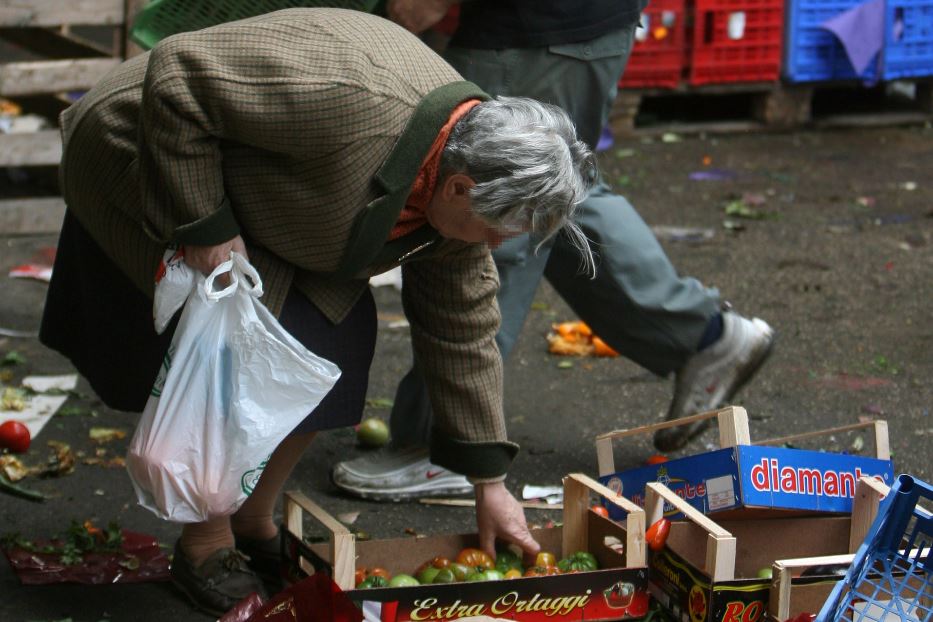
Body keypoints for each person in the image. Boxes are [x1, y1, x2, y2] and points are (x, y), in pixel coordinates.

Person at [38, 8, 597, 616]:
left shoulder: (460, 187)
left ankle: (253, 518)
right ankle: (206, 543)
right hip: (147, 147)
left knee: (338, 341)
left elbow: (463, 332)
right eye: (496, 230)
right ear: (458, 188)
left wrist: (489, 485)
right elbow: (176, 76)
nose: (494, 246)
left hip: (274, 195)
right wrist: (204, 224)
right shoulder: (348, 98)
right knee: (248, 340)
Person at [331, 0, 776, 500]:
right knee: (547, 188)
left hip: (538, 29)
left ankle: (445, 446)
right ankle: (701, 335)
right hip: (576, 27)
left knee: (484, 211)